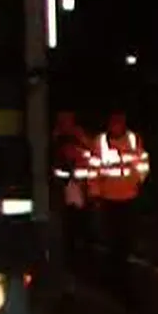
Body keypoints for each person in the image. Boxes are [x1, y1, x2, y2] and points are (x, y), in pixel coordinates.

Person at [87, 112, 150, 303]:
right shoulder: (100, 142)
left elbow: (142, 162)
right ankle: (114, 276)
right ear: (109, 124)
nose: (117, 125)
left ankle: (121, 273)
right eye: (114, 122)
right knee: (112, 239)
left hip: (129, 196)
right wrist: (95, 193)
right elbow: (93, 168)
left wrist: (138, 180)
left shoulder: (133, 139)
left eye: (120, 122)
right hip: (109, 198)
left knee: (126, 238)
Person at [52, 111, 95, 275]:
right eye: (62, 119)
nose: (65, 122)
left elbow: (90, 155)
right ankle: (69, 264)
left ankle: (85, 263)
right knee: (66, 231)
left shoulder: (80, 135)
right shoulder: (56, 136)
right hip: (64, 190)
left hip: (81, 188)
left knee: (84, 229)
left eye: (67, 119)